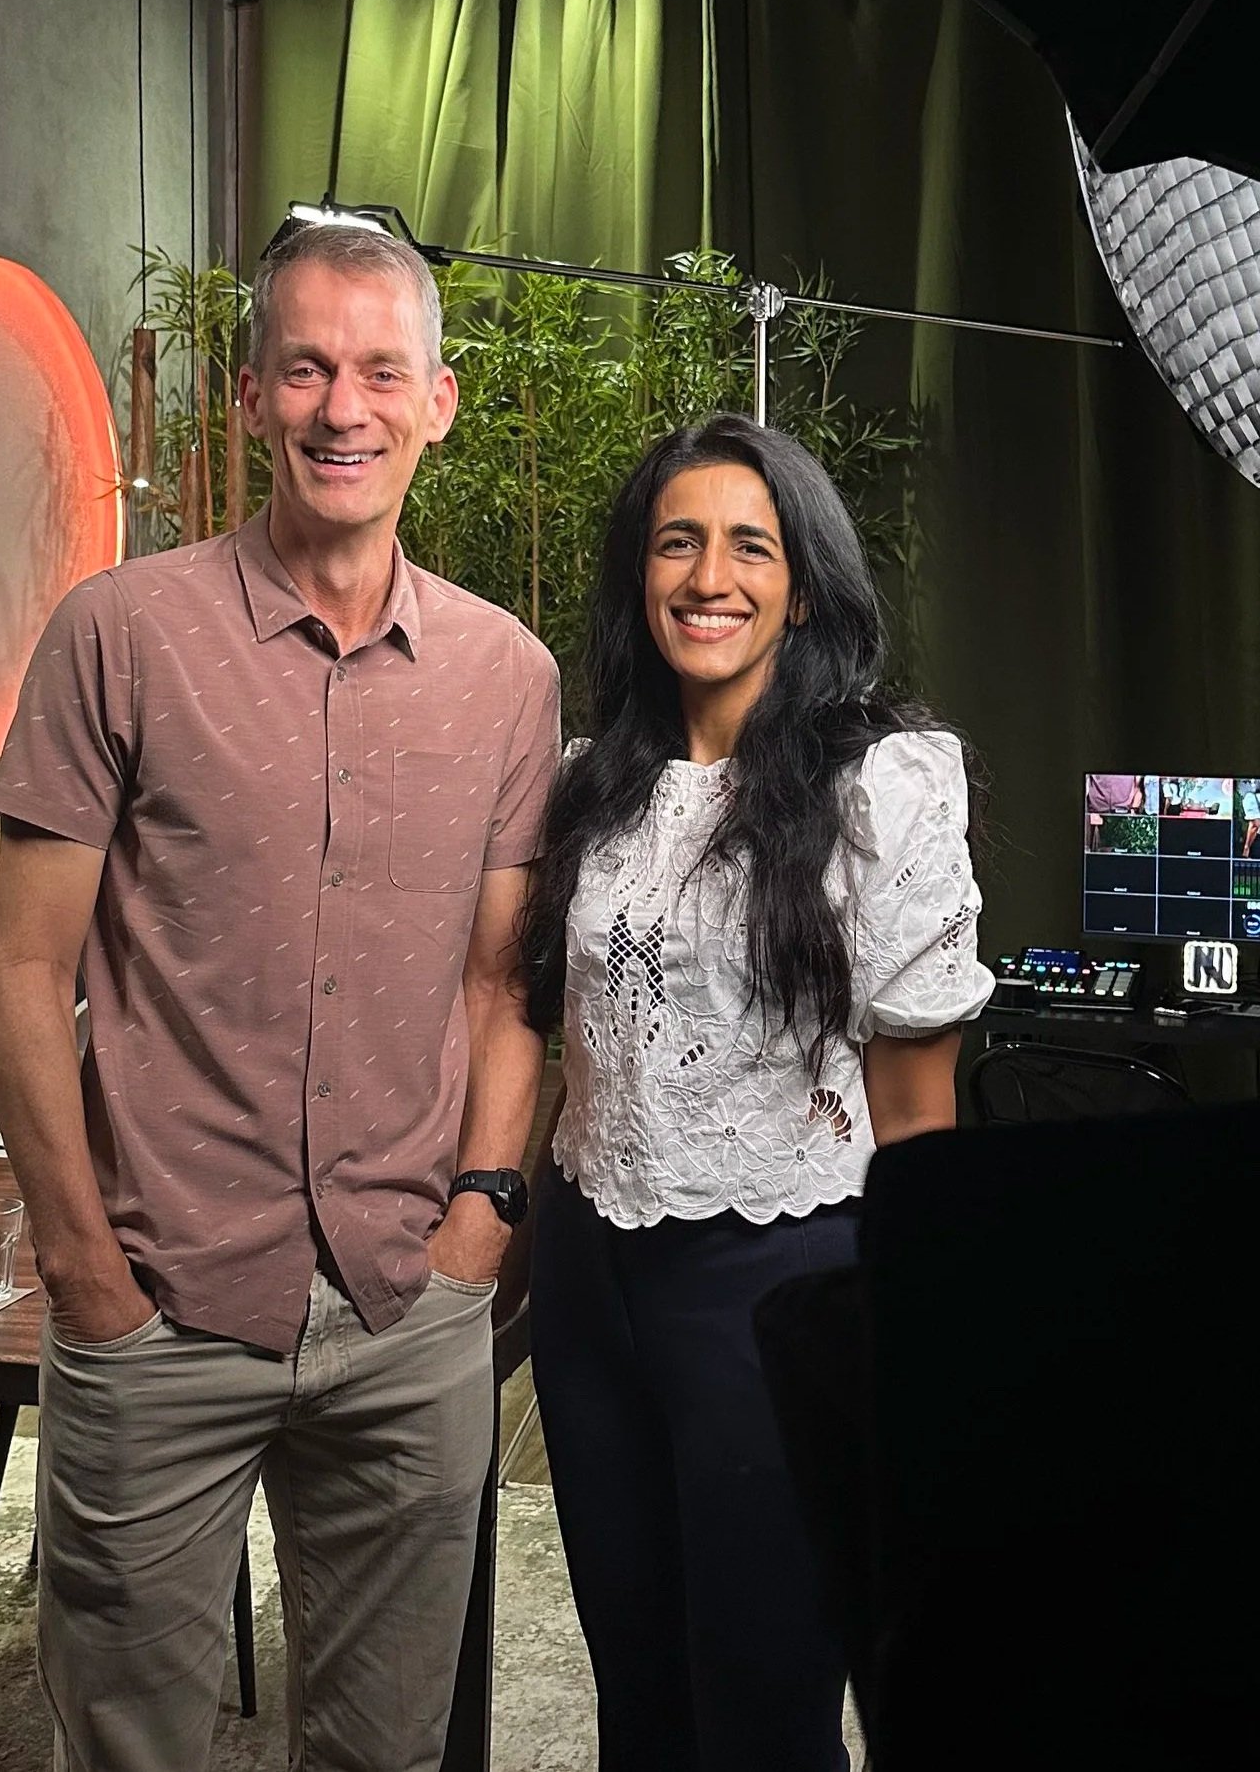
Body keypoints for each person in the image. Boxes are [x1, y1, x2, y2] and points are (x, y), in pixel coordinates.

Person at [0, 219, 560, 1772]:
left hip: (406, 1307)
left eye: (380, 372)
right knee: (126, 1751)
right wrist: (82, 1272)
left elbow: (503, 987)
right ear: (248, 398)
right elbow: (24, 972)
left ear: (438, 402)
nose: (342, 408)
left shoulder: (509, 677)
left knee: (386, 1751)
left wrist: (478, 1230)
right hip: (158, 1302)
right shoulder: (118, 636)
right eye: (304, 369)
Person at [516, 414, 995, 1771]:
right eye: (678, 542)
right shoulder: (591, 785)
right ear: (640, 575)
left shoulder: (881, 783)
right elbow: (569, 1044)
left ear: (804, 586)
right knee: (638, 1690)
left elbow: (917, 1113)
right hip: (589, 1277)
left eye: (750, 546)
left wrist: (919, 1344)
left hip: (779, 1279)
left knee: (766, 1709)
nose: (709, 577)